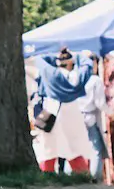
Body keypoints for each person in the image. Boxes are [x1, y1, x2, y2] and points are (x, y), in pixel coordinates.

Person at [29, 47, 95, 175]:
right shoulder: (77, 76)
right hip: (71, 115)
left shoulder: (50, 74)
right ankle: (82, 177)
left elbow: (40, 60)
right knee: (74, 150)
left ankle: (46, 178)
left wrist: (56, 56)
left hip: (52, 114)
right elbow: (87, 65)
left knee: (49, 151)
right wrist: (77, 55)